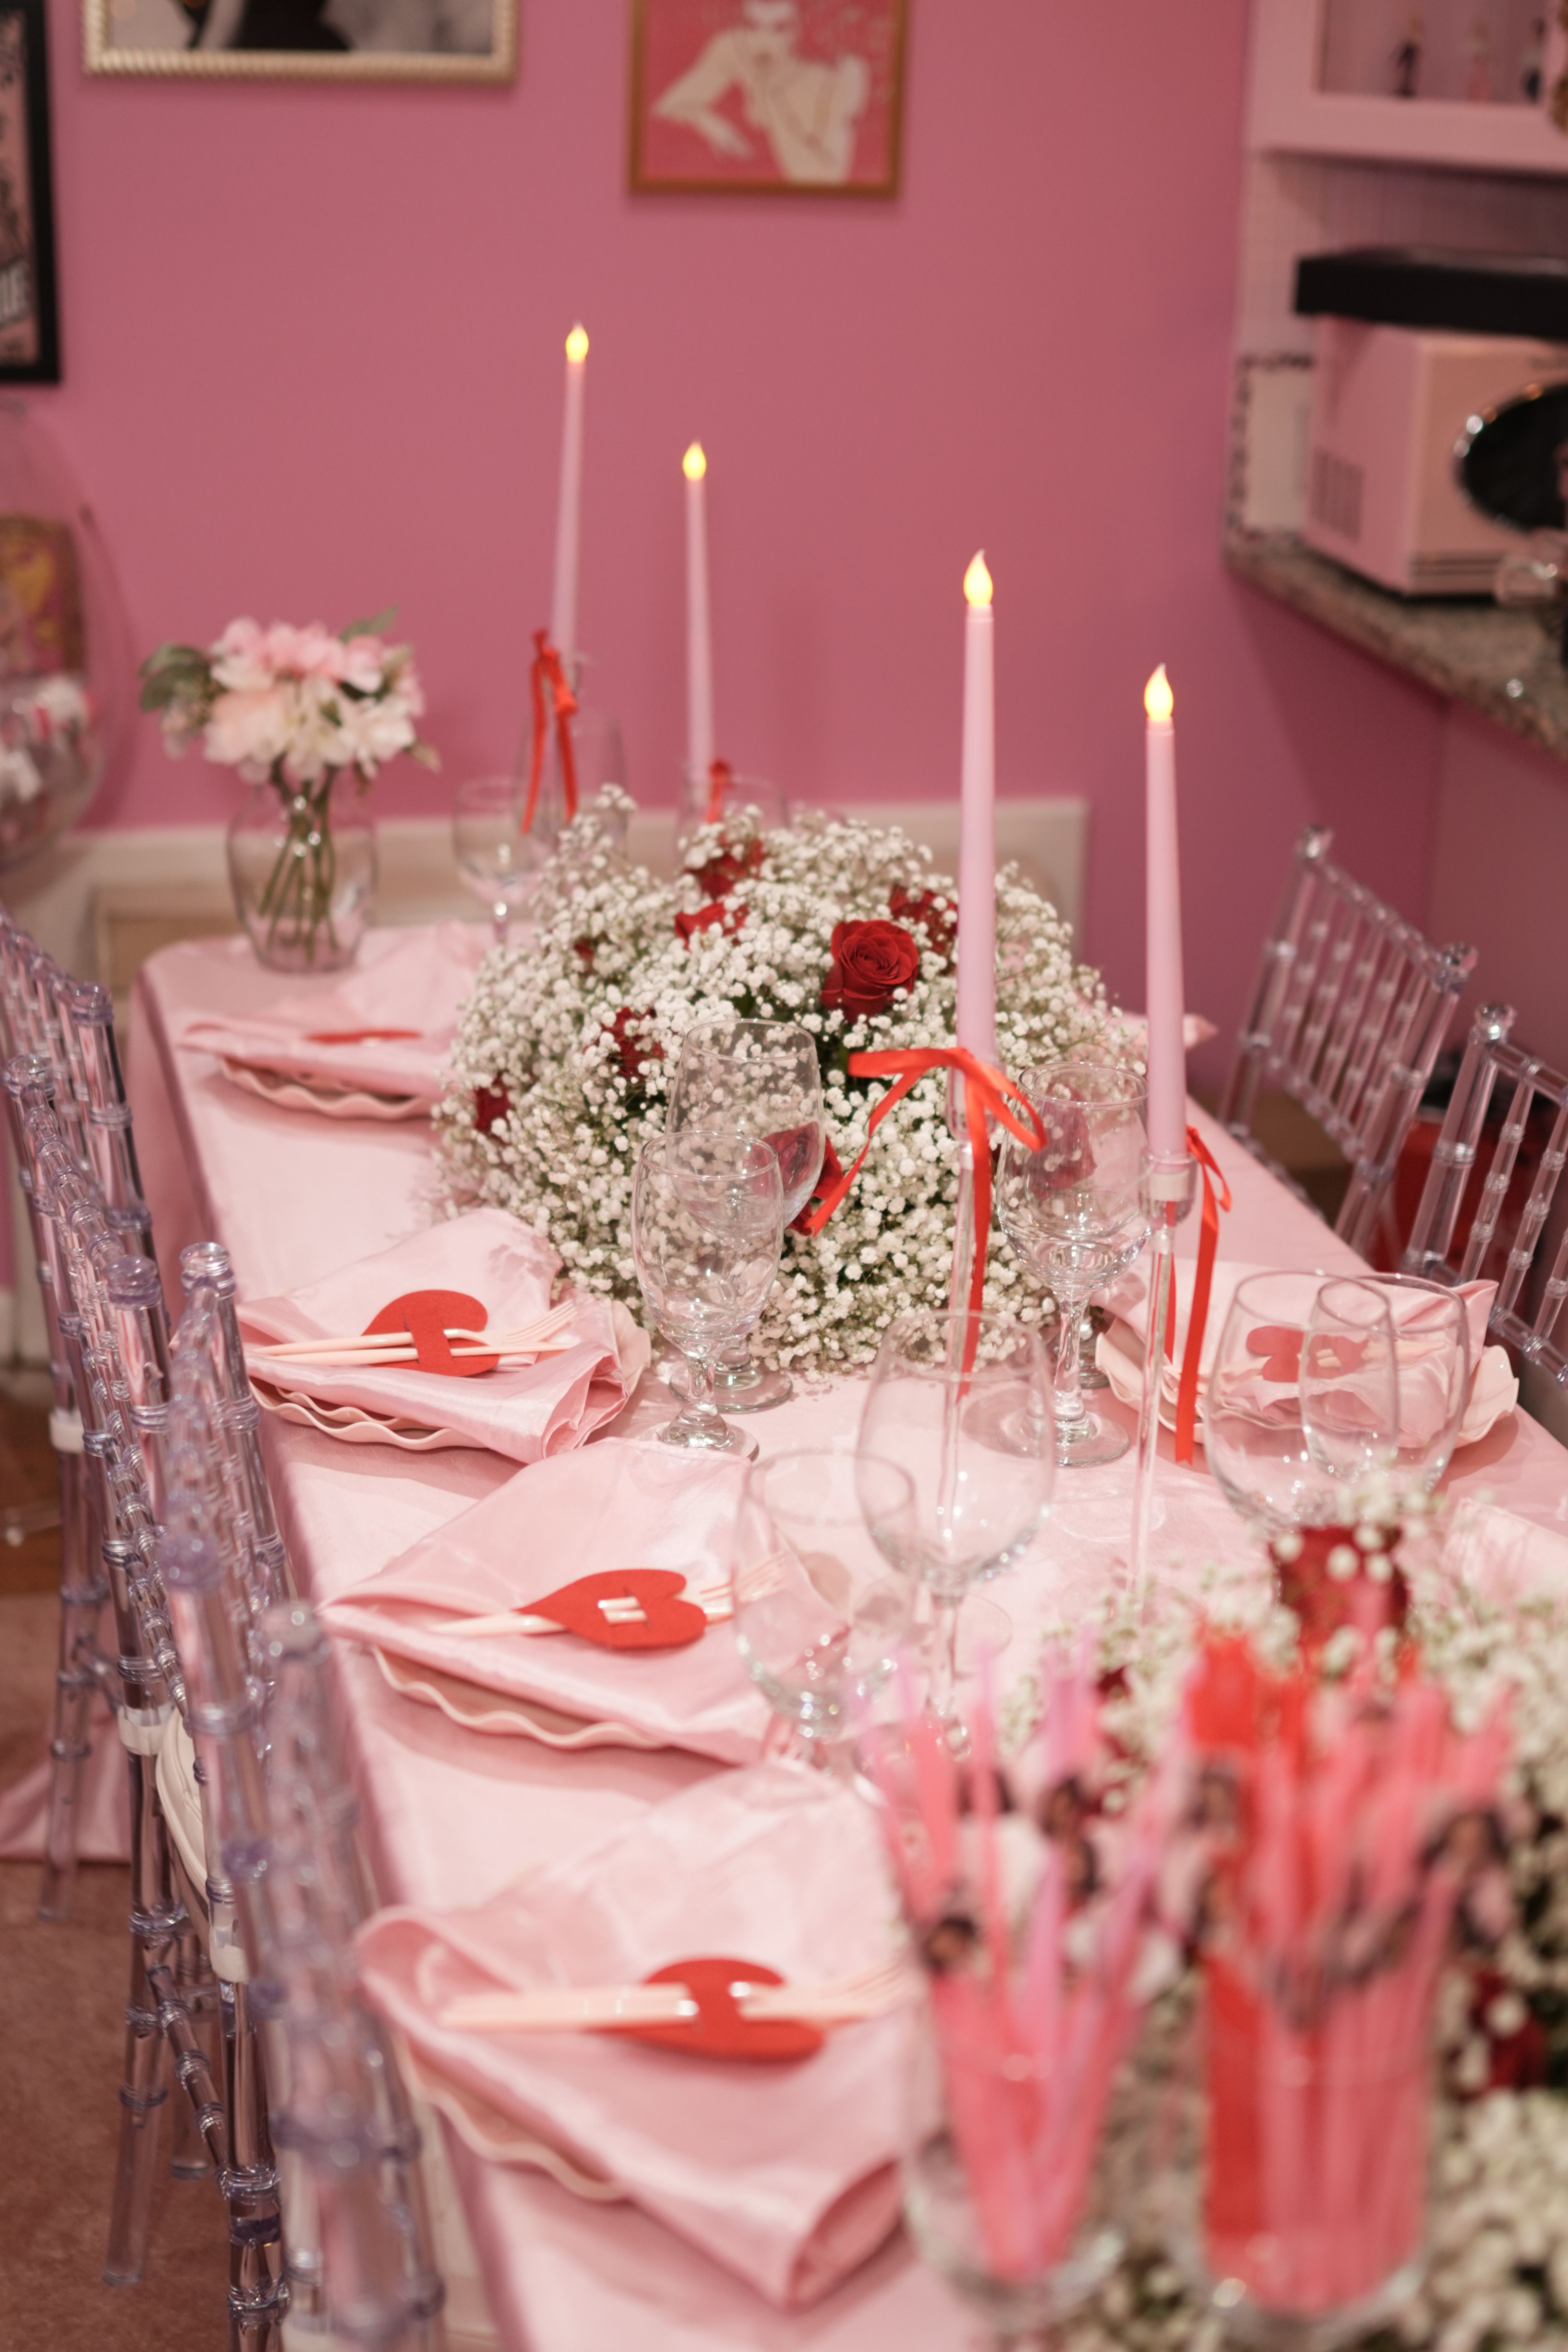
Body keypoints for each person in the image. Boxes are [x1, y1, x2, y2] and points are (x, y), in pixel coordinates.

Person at [652, 0, 870, 186]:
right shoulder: (734, 46)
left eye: (781, 28)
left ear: (804, 24)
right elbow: (668, 106)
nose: (763, 41)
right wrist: (709, 124)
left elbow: (825, 180)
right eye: (752, 26)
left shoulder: (833, 75)